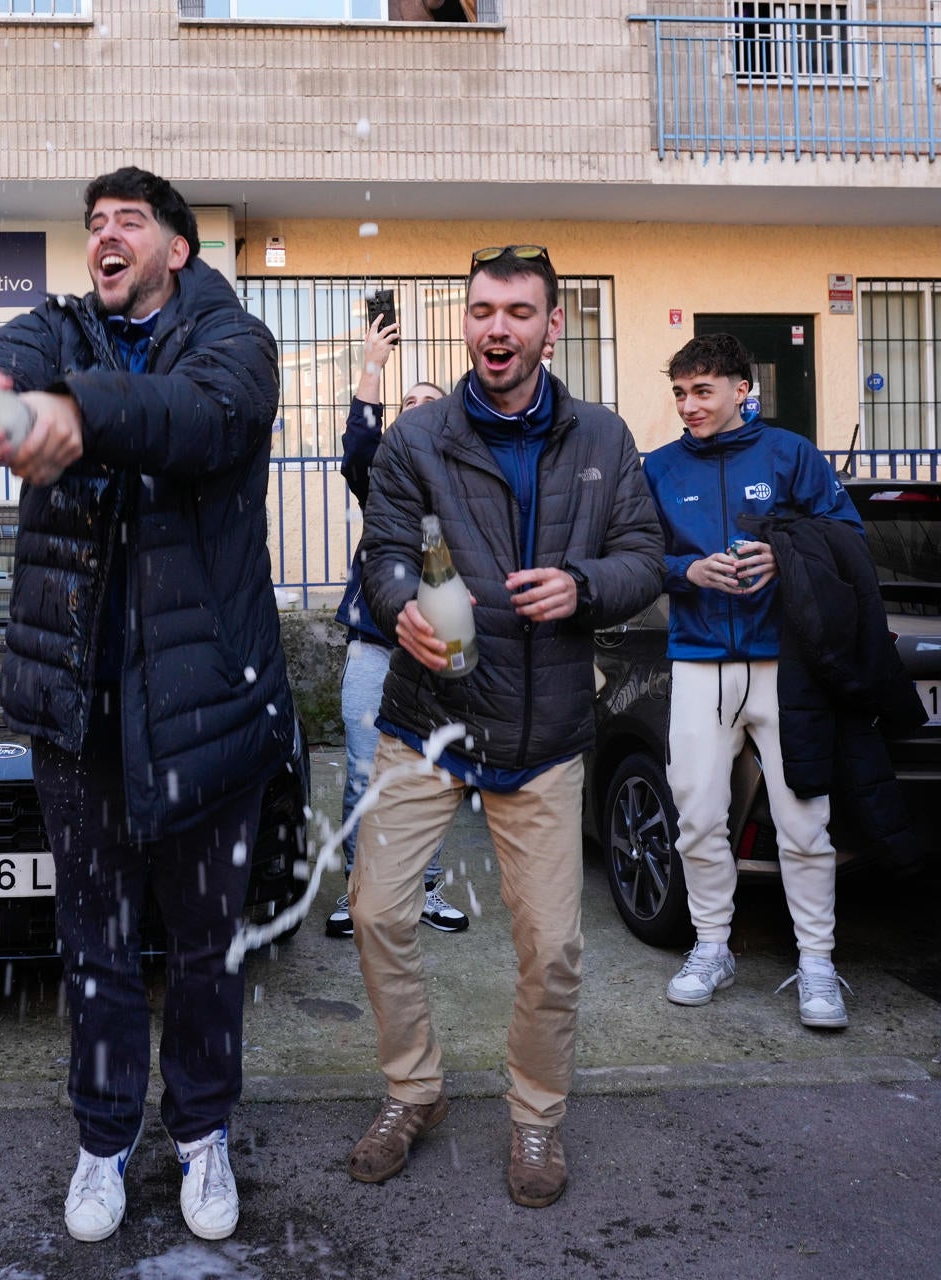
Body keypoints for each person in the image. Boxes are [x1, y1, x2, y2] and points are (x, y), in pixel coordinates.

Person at [0, 167, 296, 1245]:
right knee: (94, 942)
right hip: (76, 712)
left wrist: (78, 411)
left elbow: (202, 420)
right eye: (95, 222)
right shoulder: (54, 329)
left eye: (129, 221)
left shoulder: (236, 340)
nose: (106, 235)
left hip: (207, 712)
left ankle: (202, 1130)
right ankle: (103, 1137)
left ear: (176, 249)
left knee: (204, 947)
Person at [346, 244, 662, 1210]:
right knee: (377, 912)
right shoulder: (418, 439)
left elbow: (643, 555)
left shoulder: (604, 437)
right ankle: (414, 1090)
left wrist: (584, 586)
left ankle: (535, 1117)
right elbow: (383, 551)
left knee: (553, 947)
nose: (498, 328)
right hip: (429, 722)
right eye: (483, 310)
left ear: (551, 326)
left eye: (519, 312)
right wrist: (400, 601)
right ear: (467, 322)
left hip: (544, 733)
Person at [643, 333, 864, 1028]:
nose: (688, 405)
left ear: (742, 390)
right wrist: (687, 570)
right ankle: (712, 947)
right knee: (698, 818)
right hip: (698, 661)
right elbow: (636, 557)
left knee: (803, 824)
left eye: (702, 391)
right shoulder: (659, 468)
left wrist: (782, 554)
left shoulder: (791, 454)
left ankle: (818, 963)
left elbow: (849, 536)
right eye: (679, 393)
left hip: (785, 664)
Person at [326, 314, 466, 939]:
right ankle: (359, 890)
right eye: (407, 403)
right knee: (364, 771)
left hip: (440, 650)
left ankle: (425, 888)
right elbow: (358, 448)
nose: (415, 409)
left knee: (431, 774)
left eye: (428, 403)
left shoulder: (465, 482)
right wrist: (373, 367)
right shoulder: (384, 478)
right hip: (376, 647)